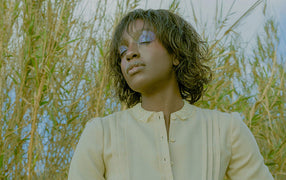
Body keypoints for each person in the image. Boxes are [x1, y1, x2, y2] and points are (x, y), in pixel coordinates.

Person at [68, 9, 274, 180]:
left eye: (145, 40)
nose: (130, 54)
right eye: (123, 51)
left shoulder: (226, 130)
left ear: (176, 53)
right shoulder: (101, 134)